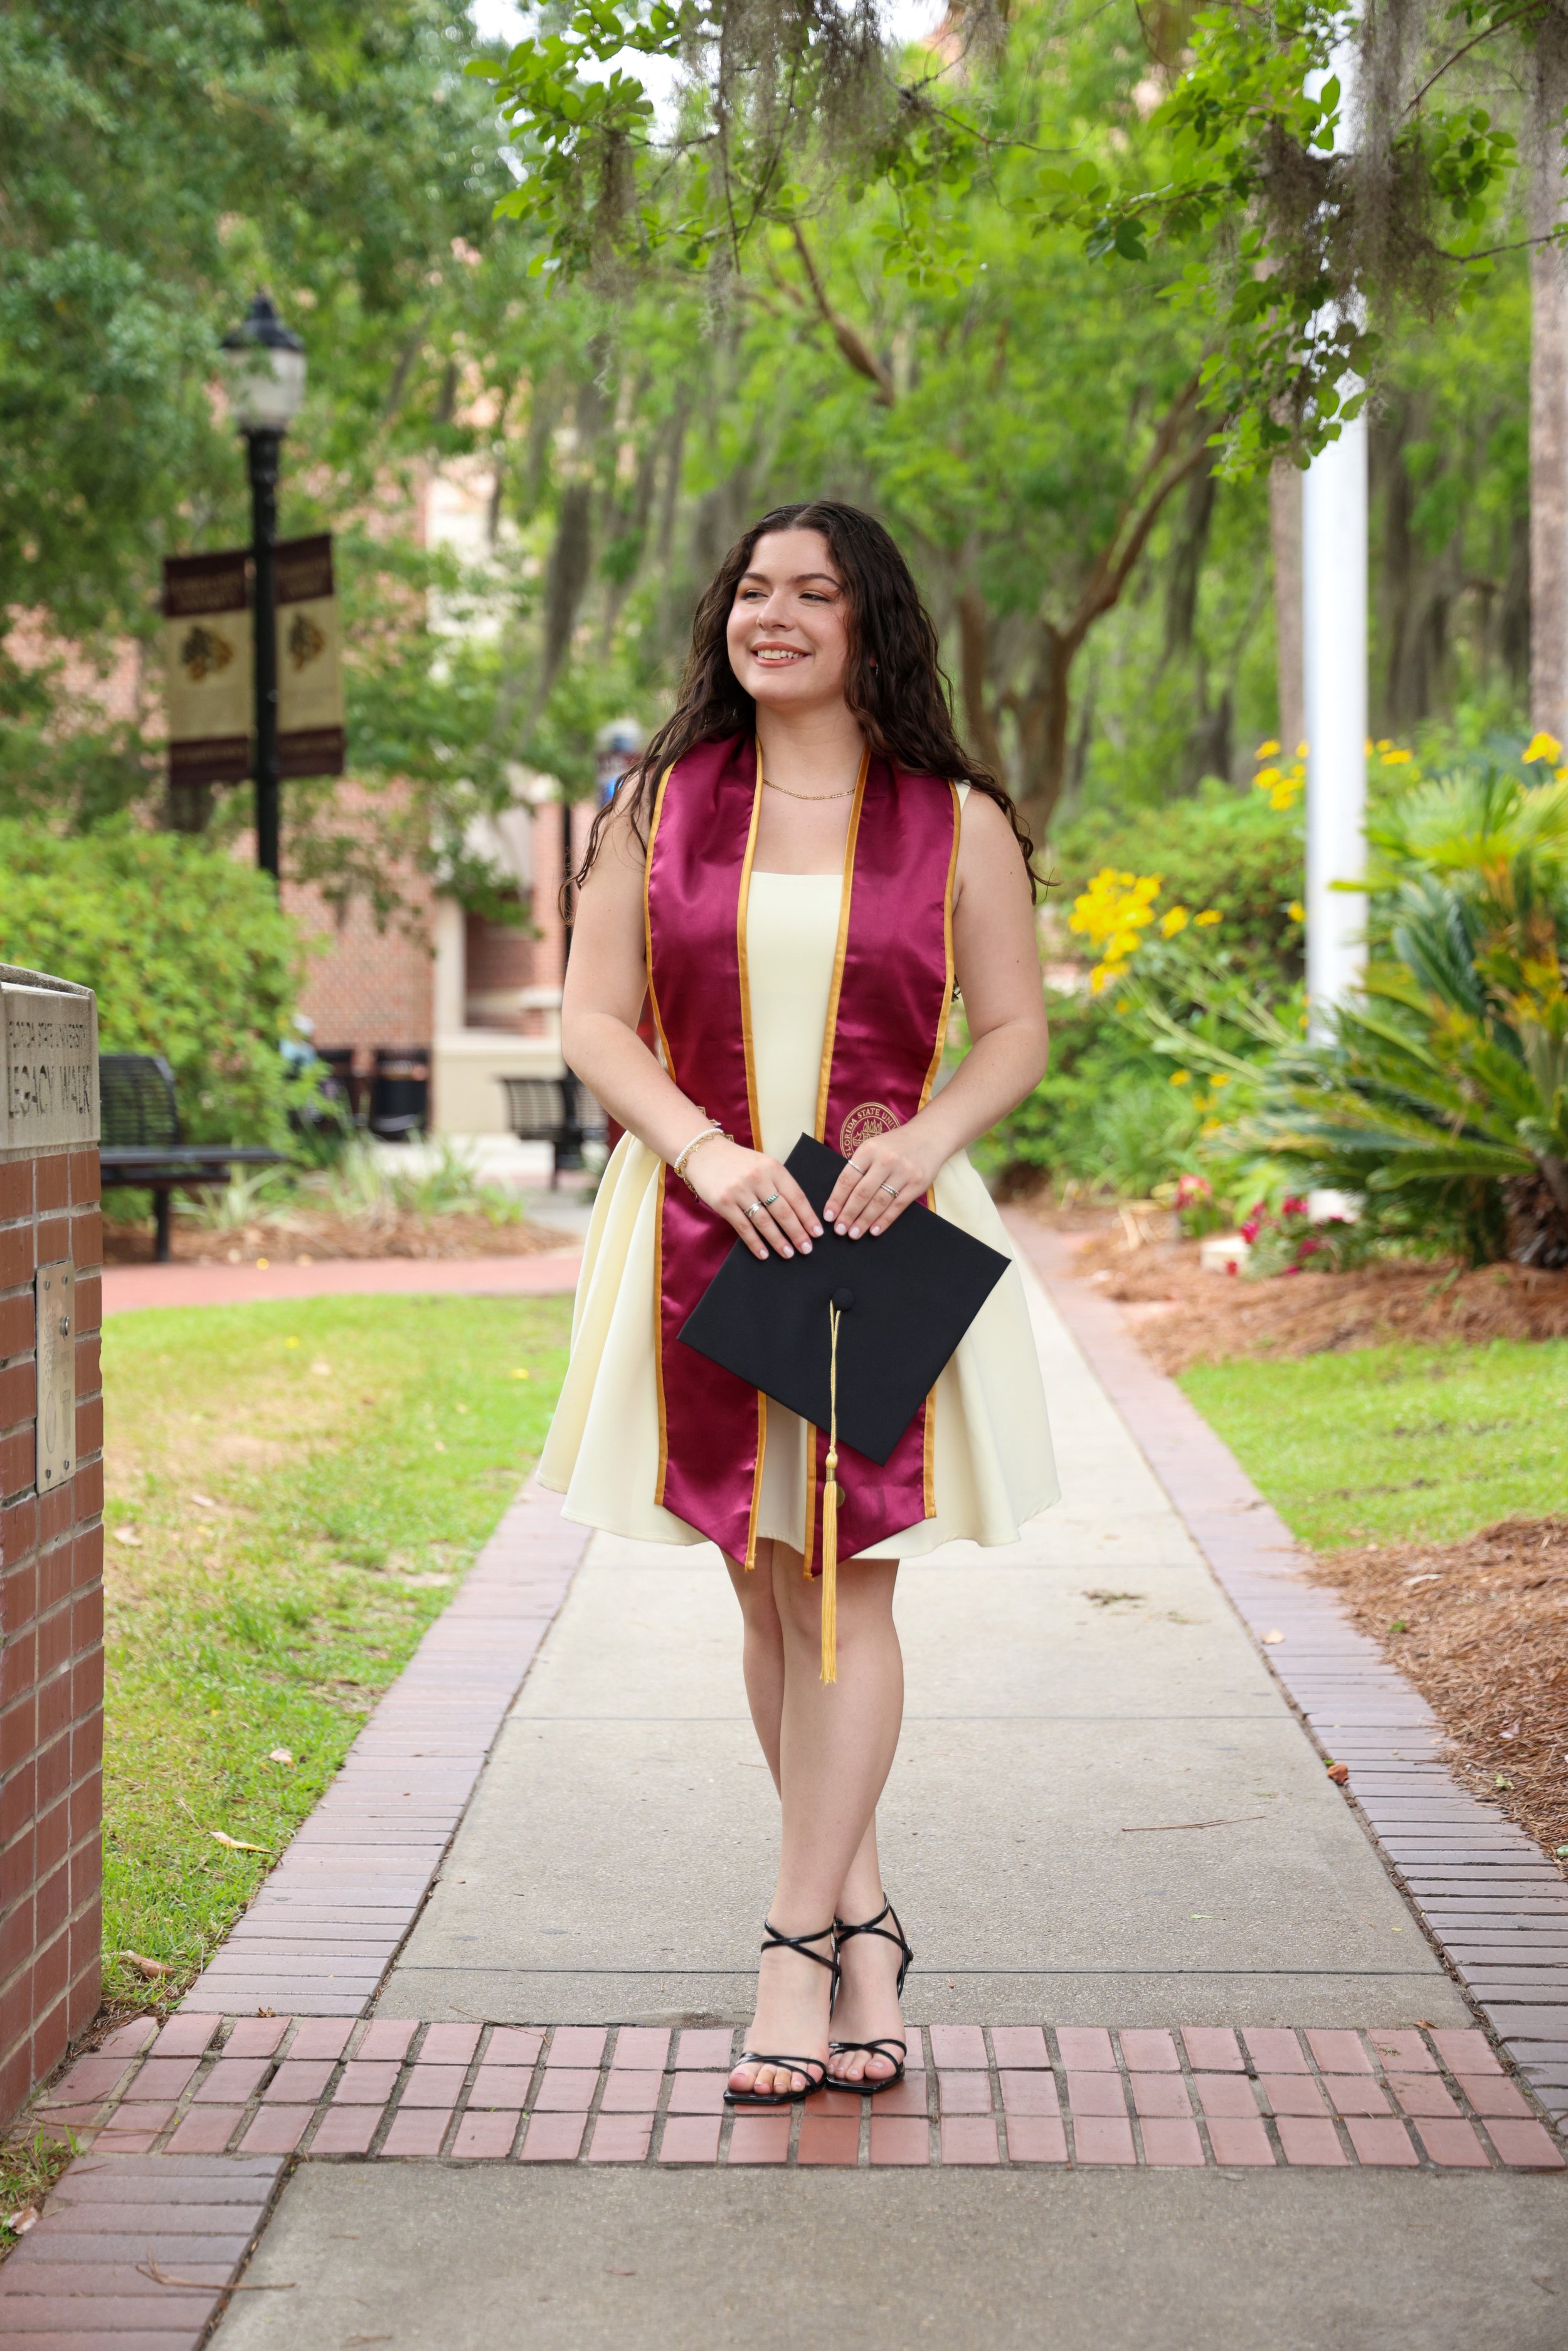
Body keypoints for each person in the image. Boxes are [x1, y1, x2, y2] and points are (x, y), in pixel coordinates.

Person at [539, 499, 1057, 2106]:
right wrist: (697, 1149)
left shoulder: (952, 818)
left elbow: (1013, 1033)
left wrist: (924, 1141)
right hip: (706, 1212)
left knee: (846, 1584)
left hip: (869, 1220)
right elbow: (590, 1017)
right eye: (752, 590)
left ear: (867, 623)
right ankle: (869, 1927)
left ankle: (788, 1946)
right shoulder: (658, 806)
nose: (772, 615)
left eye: (810, 592)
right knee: (766, 1585)